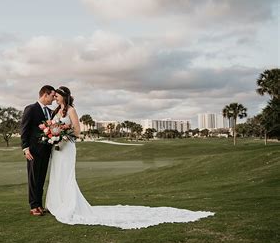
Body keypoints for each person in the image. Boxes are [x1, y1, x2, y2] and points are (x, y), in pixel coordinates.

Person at [45, 86, 214, 229]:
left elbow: (77, 131)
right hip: (58, 148)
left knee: (67, 176)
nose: (55, 97)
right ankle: (57, 203)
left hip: (68, 148)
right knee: (57, 174)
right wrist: (55, 133)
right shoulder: (57, 111)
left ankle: (68, 205)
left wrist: (64, 132)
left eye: (57, 95)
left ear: (63, 96)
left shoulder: (72, 110)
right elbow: (52, 126)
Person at [21, 85, 56, 216]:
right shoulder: (31, 109)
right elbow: (24, 130)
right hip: (33, 151)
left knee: (41, 179)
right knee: (33, 178)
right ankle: (33, 206)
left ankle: (39, 205)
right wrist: (25, 148)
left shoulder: (51, 112)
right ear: (45, 95)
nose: (53, 99)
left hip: (46, 150)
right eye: (52, 96)